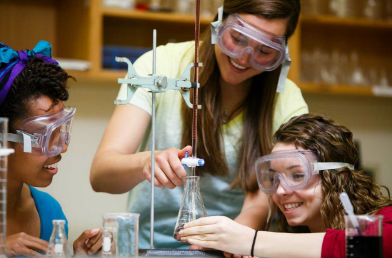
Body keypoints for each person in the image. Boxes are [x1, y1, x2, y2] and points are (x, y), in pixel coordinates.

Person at [90, 0, 308, 249]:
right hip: (149, 246)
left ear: (281, 53)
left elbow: (277, 187)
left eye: (265, 51)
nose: (244, 58)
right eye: (237, 38)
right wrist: (146, 162)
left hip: (233, 247)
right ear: (218, 24)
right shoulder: (162, 64)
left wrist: (235, 235)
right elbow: (100, 175)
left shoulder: (287, 99)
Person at [178, 114, 392, 258]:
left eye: (298, 175)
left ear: (337, 177)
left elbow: (375, 245)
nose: (280, 191)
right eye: (275, 178)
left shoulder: (385, 219)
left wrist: (250, 240)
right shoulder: (295, 239)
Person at [0, 41, 102, 256]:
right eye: (44, 135)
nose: (61, 148)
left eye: (61, 130)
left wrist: (78, 255)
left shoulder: (49, 212)